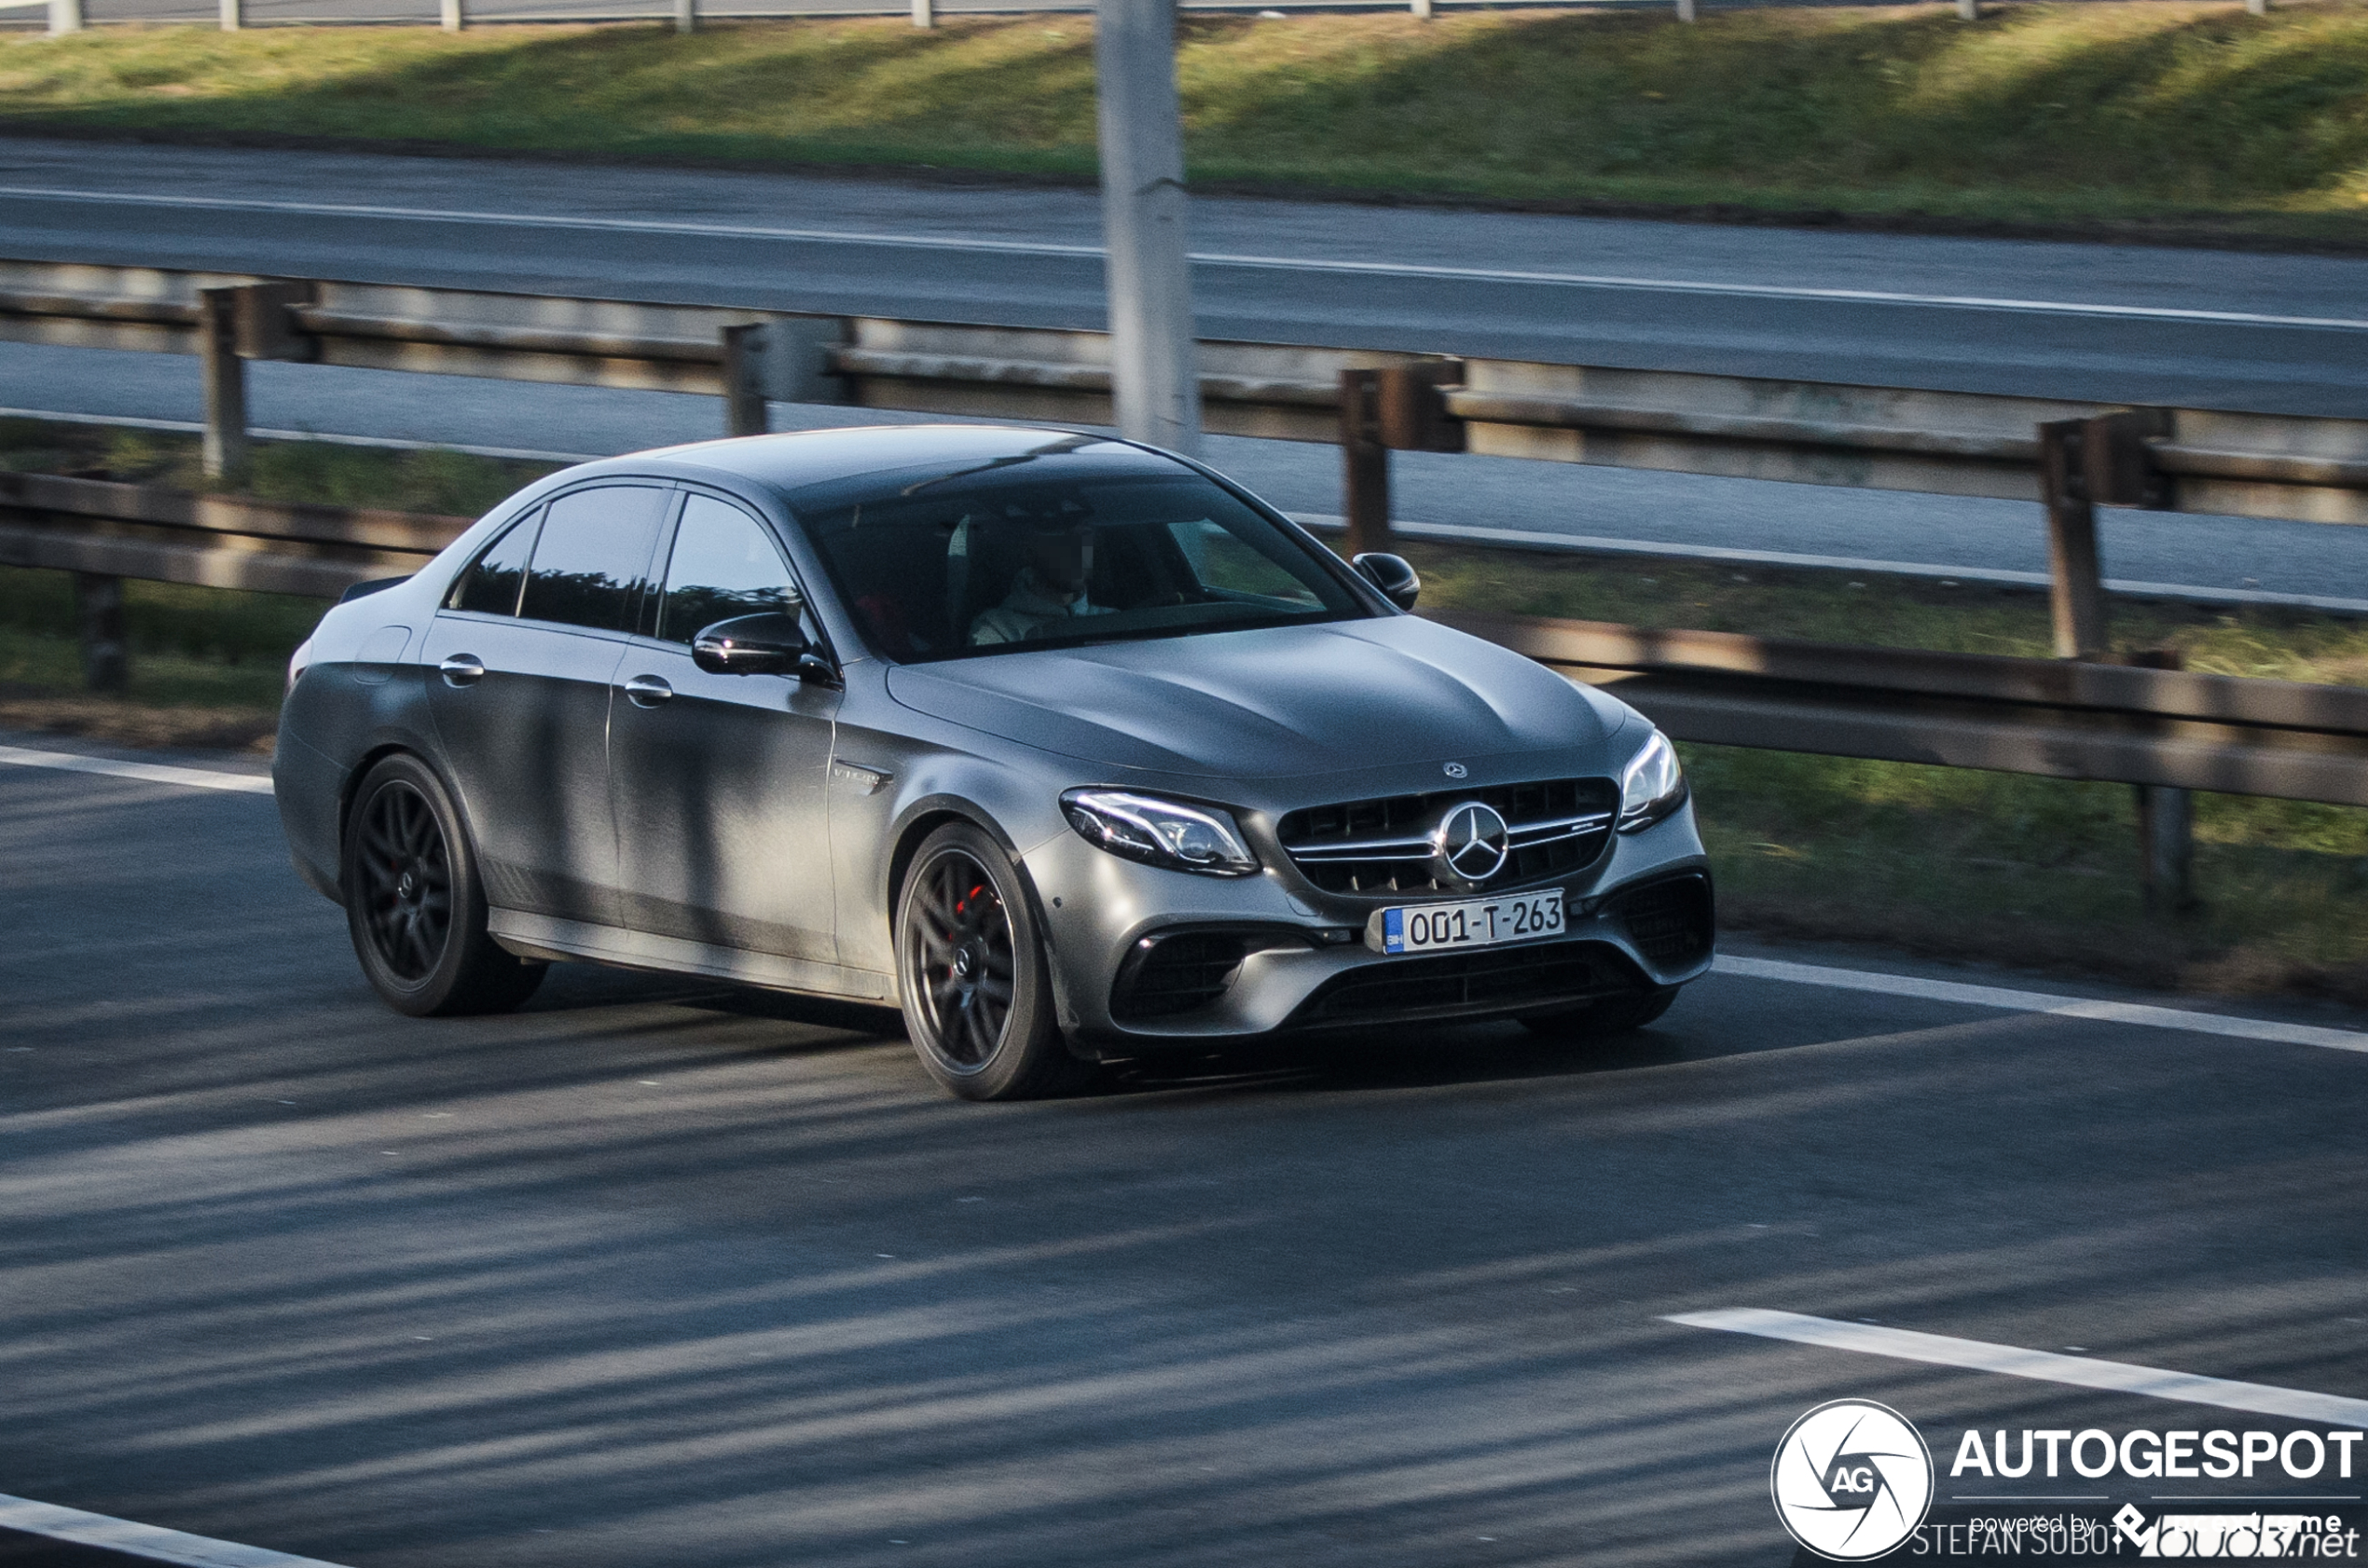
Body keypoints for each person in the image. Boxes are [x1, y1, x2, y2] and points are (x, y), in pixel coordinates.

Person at [970, 520, 1113, 646]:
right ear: (1029, 552)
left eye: (1084, 536)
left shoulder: (1112, 620)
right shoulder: (996, 629)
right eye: (1062, 539)